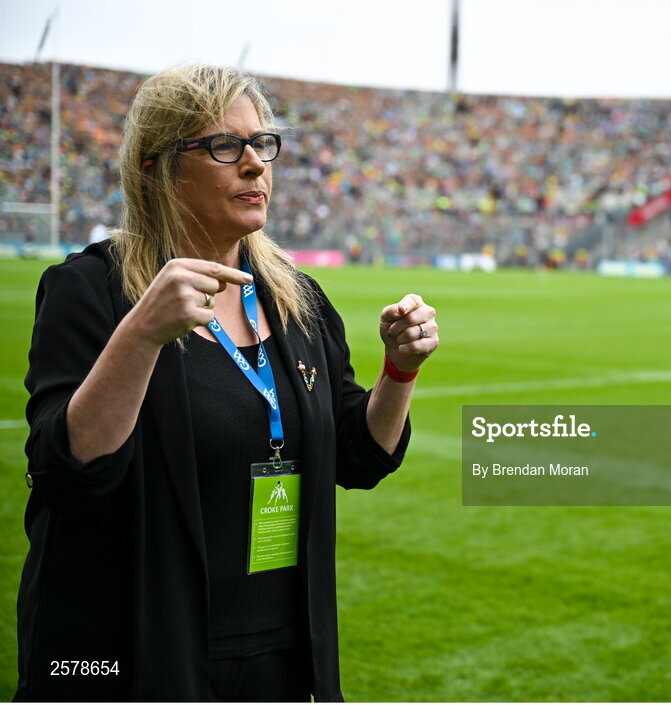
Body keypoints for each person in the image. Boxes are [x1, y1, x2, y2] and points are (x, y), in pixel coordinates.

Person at [16, 64, 438, 701]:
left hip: (283, 658)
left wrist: (399, 371)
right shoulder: (92, 290)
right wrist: (140, 335)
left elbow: (360, 455)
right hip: (133, 658)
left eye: (262, 144)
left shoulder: (297, 300)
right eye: (223, 145)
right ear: (157, 167)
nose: (253, 164)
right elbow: (69, 472)